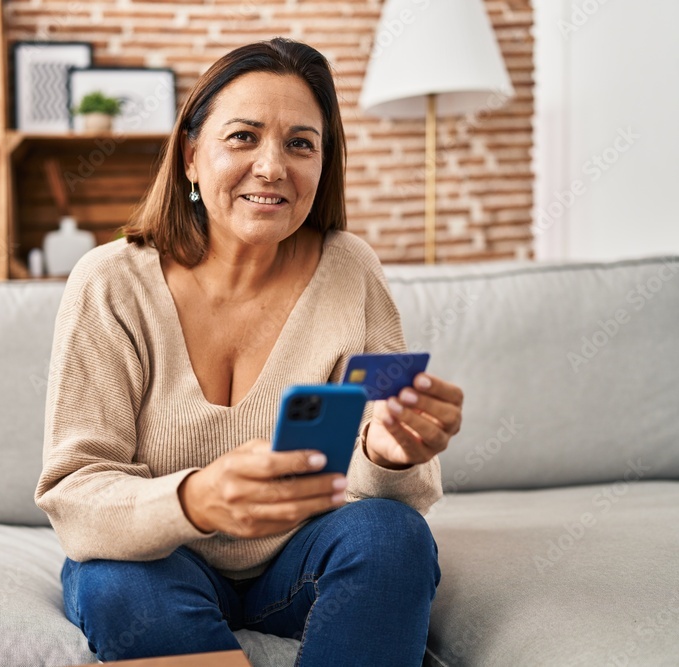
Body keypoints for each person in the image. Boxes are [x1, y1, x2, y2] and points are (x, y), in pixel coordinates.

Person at [35, 37, 464, 666]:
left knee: (393, 535)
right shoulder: (110, 282)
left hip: (301, 561)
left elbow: (395, 492)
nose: (272, 167)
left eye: (300, 144)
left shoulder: (351, 269)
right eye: (243, 137)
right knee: (114, 581)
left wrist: (385, 454)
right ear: (190, 156)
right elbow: (75, 496)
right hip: (163, 561)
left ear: (323, 164)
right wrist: (196, 500)